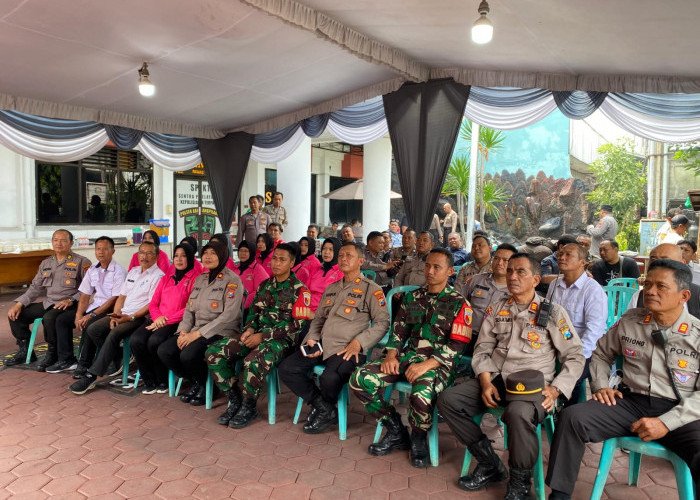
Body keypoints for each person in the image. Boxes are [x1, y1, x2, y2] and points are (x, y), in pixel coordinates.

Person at [546, 259, 700, 498]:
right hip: (631, 403)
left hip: (682, 410)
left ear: (683, 295)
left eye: (661, 286)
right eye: (647, 284)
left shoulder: (697, 335)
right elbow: (600, 354)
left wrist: (665, 423)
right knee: (571, 418)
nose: (650, 291)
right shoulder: (630, 321)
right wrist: (600, 385)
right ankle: (560, 495)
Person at [437, 253, 584, 498]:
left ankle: (520, 483)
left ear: (536, 279)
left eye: (521, 272)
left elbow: (575, 355)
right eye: (510, 271)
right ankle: (489, 463)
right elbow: (482, 347)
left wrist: (557, 388)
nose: (513, 276)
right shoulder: (498, 307)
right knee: (448, 400)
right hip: (496, 380)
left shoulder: (553, 313)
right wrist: (484, 381)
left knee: (517, 414)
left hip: (532, 389)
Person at [350, 248, 473, 468]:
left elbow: (458, 345)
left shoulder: (459, 303)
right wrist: (390, 354)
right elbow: (399, 331)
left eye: (437, 267)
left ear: (450, 272)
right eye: (427, 266)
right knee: (360, 378)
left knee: (421, 394)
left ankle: (418, 437)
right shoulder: (412, 297)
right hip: (407, 357)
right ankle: (395, 428)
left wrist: (428, 364)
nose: (430, 271)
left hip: (439, 364)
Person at [279, 242, 390, 434]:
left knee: (329, 378)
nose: (343, 259)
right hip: (322, 344)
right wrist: (312, 338)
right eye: (341, 256)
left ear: (361, 261)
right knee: (287, 369)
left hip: (347, 348)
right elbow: (318, 319)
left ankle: (324, 408)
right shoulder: (331, 288)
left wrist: (360, 343)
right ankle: (323, 406)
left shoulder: (371, 289)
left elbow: (382, 323)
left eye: (349, 256)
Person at [205, 243, 312, 428]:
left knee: (253, 361)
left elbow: (297, 325)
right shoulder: (265, 285)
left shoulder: (300, 290)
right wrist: (249, 330)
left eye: (282, 259)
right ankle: (235, 399)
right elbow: (253, 314)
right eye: (275, 259)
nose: (276, 263)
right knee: (214, 353)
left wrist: (263, 336)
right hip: (256, 336)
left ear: (292, 262)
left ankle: (249, 407)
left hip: (281, 342)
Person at [69, 241, 165, 394]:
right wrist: (116, 314)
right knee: (92, 329)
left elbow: (151, 304)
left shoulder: (159, 276)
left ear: (157, 256)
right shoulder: (133, 271)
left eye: (149, 253)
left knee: (114, 334)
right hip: (123, 313)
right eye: (142, 253)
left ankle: (91, 375)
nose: (144, 257)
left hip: (139, 317)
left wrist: (129, 317)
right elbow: (121, 296)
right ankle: (118, 356)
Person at [158, 241, 244, 406]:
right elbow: (189, 310)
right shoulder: (200, 279)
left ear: (223, 255)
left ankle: (208, 387)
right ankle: (198, 381)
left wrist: (197, 334)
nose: (208, 257)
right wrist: (183, 331)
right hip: (195, 330)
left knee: (188, 355)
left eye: (213, 253)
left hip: (221, 331)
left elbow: (229, 316)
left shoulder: (232, 281)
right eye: (205, 253)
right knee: (165, 350)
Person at [7, 229, 91, 368]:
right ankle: (25, 350)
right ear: (52, 242)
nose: (59, 243)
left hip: (70, 304)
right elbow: (35, 287)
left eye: (63, 240)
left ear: (71, 243)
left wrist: (71, 299)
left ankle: (52, 353)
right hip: (49, 302)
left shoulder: (82, 262)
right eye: (55, 240)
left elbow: (89, 288)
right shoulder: (46, 263)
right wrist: (19, 303)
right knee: (16, 314)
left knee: (49, 318)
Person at [46, 236, 126, 374]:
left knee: (89, 325)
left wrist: (91, 315)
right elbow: (85, 295)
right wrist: (78, 314)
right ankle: (67, 359)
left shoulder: (119, 271)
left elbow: (114, 298)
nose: (101, 252)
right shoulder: (93, 269)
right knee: (62, 320)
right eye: (98, 249)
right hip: (94, 307)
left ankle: (85, 363)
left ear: (113, 251)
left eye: (105, 249)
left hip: (111, 309)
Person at [130, 244, 201, 394]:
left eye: (183, 256)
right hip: (157, 320)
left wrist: (165, 320)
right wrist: (157, 319)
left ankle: (162, 380)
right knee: (136, 340)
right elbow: (154, 302)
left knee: (155, 341)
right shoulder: (167, 276)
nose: (179, 259)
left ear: (190, 258)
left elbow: (190, 307)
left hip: (176, 322)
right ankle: (149, 380)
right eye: (176, 256)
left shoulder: (196, 279)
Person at [546, 242, 608, 405]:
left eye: (568, 255)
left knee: (570, 378)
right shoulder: (554, 285)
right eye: (560, 255)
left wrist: (578, 356)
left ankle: (568, 413)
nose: (562, 258)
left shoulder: (593, 290)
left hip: (581, 349)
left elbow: (595, 330)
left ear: (583, 262)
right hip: (554, 345)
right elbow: (547, 319)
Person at [459, 243, 516, 356]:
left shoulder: (516, 289)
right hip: (469, 335)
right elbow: (460, 304)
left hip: (497, 341)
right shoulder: (476, 280)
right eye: (496, 258)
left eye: (505, 260)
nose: (499, 263)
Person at [627, 243, 700, 319]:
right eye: (653, 260)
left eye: (665, 260)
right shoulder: (638, 298)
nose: (658, 264)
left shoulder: (697, 295)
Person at [233, 241, 269, 311]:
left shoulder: (258, 269)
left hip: (249, 309)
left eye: (246, 251)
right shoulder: (235, 268)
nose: (242, 253)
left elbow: (259, 291)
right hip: (232, 306)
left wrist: (241, 304)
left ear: (252, 252)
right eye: (240, 250)